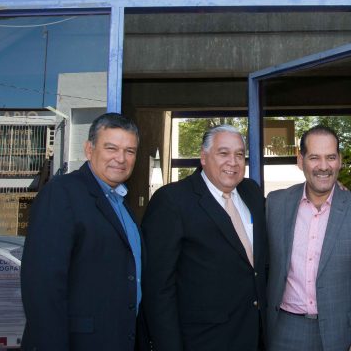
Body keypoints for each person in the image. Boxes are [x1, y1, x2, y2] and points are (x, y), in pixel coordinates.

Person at [21, 112, 144, 351]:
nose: (121, 158)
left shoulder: (121, 204)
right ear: (89, 150)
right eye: (111, 148)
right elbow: (42, 287)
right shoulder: (62, 194)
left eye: (129, 151)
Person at [142, 125, 267, 351]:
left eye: (239, 154)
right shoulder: (172, 201)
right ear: (203, 156)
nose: (233, 161)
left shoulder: (252, 193)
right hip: (202, 340)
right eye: (223, 153)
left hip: (253, 337)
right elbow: (158, 287)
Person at [266, 125, 351, 351]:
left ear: (339, 160)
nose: (323, 166)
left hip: (344, 336)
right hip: (284, 332)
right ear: (300, 161)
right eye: (314, 158)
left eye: (330, 157)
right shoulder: (275, 204)